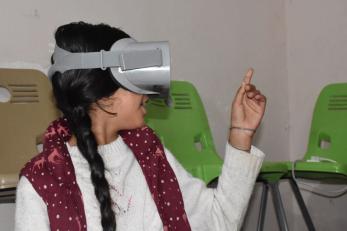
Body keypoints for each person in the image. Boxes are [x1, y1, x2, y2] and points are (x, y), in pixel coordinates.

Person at [14, 21, 266, 231]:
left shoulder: (150, 156)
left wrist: (240, 135)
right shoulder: (41, 182)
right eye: (134, 77)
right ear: (104, 98)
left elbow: (218, 222)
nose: (147, 90)